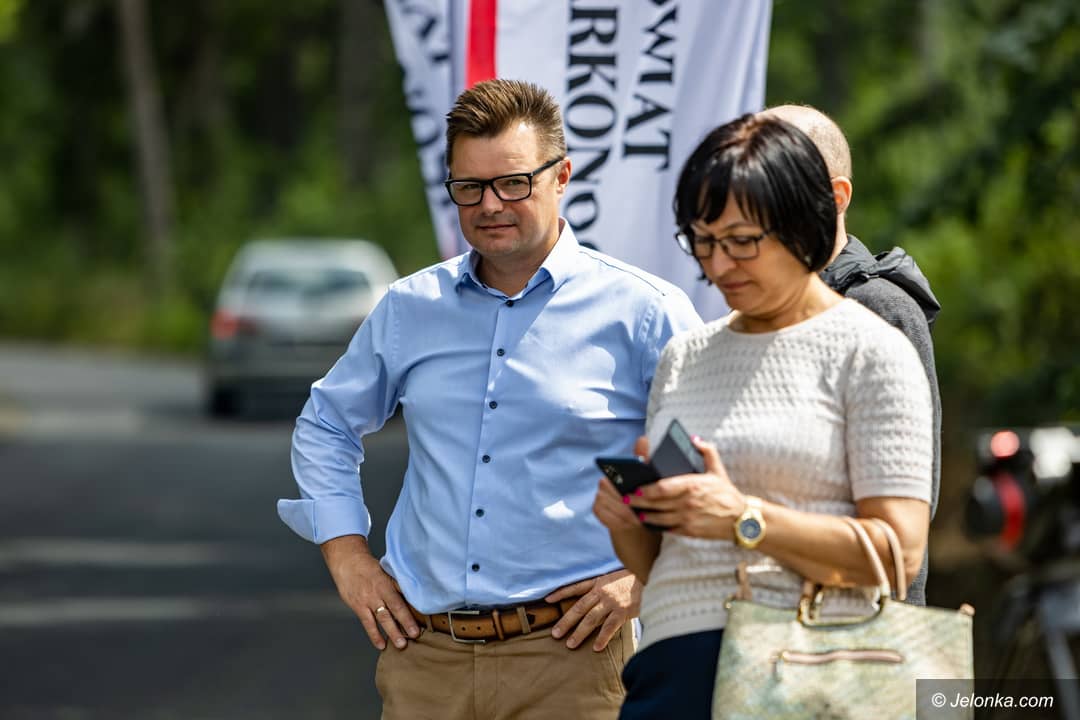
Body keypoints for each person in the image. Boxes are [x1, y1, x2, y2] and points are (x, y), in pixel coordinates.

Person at [278, 78, 702, 720]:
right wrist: (346, 554)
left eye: (513, 183)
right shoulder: (410, 308)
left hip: (575, 661)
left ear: (562, 177)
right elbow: (326, 424)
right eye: (469, 187)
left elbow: (705, 460)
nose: (490, 205)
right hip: (425, 659)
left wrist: (648, 576)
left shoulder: (645, 311)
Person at [593, 114, 933, 718]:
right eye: (702, 242)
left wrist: (744, 519)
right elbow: (666, 564)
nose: (719, 265)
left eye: (741, 240)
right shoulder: (683, 356)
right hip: (669, 675)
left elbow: (898, 557)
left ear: (806, 222)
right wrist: (630, 525)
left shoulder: (871, 347)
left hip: (804, 676)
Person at [759, 104, 941, 605]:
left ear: (836, 197)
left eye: (775, 182)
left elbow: (904, 516)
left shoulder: (878, 307)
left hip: (857, 624)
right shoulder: (763, 303)